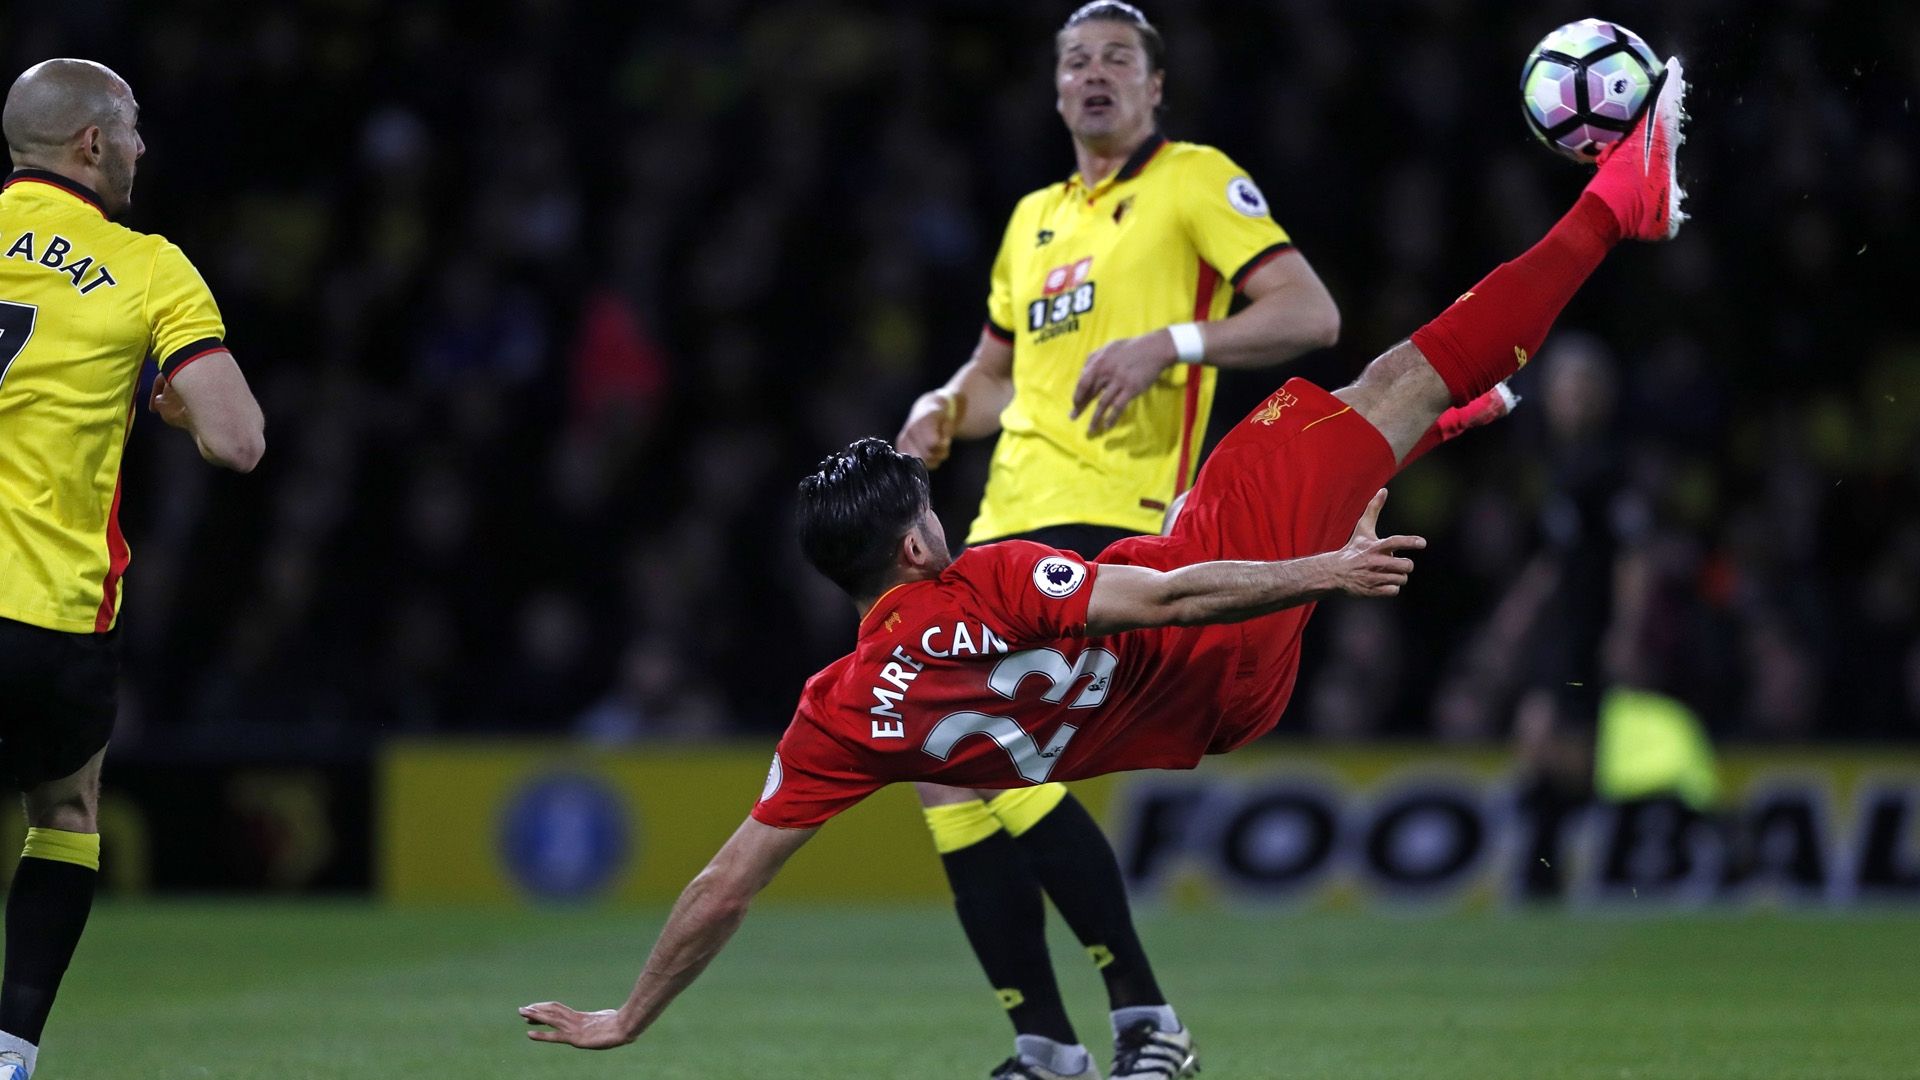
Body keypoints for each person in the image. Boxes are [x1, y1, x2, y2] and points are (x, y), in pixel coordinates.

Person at [520, 50, 1689, 1068]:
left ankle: (1452, 418)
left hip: (1209, 708)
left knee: (1355, 417)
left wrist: (630, 1015)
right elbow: (1173, 599)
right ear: (921, 540)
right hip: (1207, 618)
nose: (1091, 73)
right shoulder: (994, 580)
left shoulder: (838, 713)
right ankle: (1616, 207)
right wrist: (1321, 572)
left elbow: (726, 884)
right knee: (1394, 378)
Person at [891, 2, 1345, 1073]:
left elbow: (1310, 315)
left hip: (1119, 519)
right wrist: (946, 403)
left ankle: (1145, 1022)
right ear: (1055, 93)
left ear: (1154, 88)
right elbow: (1002, 379)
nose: (1095, 75)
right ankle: (1053, 1044)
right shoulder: (1030, 219)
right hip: (998, 525)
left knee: (994, 748)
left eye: (1118, 60)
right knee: (946, 761)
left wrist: (1172, 343)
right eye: (1076, 62)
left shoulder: (1193, 180)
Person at [0, 59, 264, 1080]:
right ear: (92, 144)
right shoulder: (147, 265)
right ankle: (12, 1052)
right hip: (52, 619)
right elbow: (238, 441)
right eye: (135, 131)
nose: (146, 149)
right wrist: (175, 403)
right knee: (64, 816)